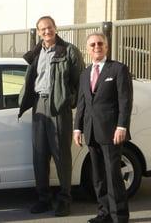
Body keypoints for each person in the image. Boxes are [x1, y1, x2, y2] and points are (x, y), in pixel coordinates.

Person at [18, 16, 84, 216]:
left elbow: (78, 82)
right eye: (42, 29)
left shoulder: (69, 51)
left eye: (49, 28)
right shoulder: (38, 51)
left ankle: (64, 199)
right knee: (39, 155)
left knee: (61, 155)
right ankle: (44, 198)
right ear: (38, 32)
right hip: (39, 105)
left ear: (55, 28)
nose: (46, 32)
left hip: (58, 107)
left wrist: (67, 100)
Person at [74, 32, 132, 223]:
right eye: (92, 45)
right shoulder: (85, 73)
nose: (96, 47)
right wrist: (77, 128)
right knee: (98, 177)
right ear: (88, 49)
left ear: (106, 47)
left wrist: (122, 126)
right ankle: (104, 213)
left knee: (113, 176)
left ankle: (119, 216)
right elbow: (82, 103)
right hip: (91, 132)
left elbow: (125, 101)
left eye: (100, 43)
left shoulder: (118, 69)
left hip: (111, 132)